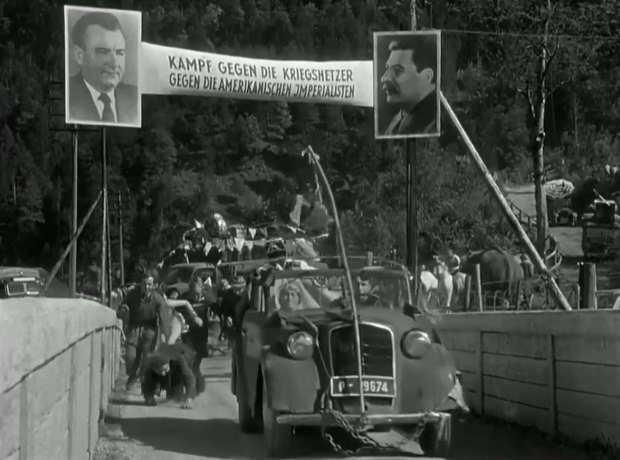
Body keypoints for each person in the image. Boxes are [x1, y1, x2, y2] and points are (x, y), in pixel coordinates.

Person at [68, 11, 138, 124]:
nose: (114, 63)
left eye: (120, 53)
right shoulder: (65, 97)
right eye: (103, 52)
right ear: (79, 56)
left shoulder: (135, 97)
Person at [120, 270, 173, 391]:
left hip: (150, 330)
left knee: (147, 358)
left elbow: (164, 318)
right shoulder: (132, 295)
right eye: (144, 284)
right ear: (140, 284)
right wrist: (123, 310)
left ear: (153, 285)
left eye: (149, 284)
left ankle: (147, 384)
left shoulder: (158, 299)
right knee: (130, 358)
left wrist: (166, 334)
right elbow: (123, 307)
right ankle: (132, 375)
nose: (147, 287)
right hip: (134, 328)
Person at [380, 34, 438, 135]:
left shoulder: (433, 124)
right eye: (387, 68)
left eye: (397, 70)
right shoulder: (400, 117)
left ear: (427, 77)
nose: (384, 78)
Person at [140, 342, 198, 408]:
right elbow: (144, 380)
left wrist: (188, 399)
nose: (163, 373)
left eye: (165, 369)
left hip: (176, 371)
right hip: (156, 373)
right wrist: (148, 396)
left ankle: (174, 392)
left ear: (168, 363)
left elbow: (190, 379)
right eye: (160, 370)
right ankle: (156, 389)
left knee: (176, 398)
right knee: (150, 377)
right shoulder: (149, 364)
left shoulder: (179, 360)